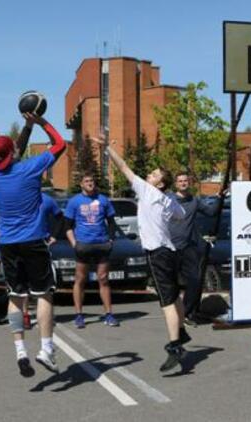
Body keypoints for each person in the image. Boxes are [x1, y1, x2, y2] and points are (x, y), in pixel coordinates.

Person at [89, 135, 189, 373]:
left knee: (165, 302)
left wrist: (107, 149)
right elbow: (181, 214)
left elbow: (124, 167)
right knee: (174, 297)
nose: (149, 176)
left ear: (160, 183)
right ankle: (182, 331)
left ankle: (175, 346)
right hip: (170, 251)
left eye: (154, 175)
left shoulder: (147, 191)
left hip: (158, 253)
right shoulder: (168, 200)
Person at [0, 112, 66, 377]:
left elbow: (14, 150)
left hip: (8, 244)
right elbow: (59, 144)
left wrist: (27, 126)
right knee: (44, 294)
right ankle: (46, 349)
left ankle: (20, 351)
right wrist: (41, 122)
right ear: (14, 154)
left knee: (16, 298)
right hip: (33, 240)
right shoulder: (29, 168)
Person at [65, 174, 118, 329]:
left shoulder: (103, 200)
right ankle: (79, 315)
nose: (90, 183)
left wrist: (111, 240)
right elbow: (67, 225)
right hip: (83, 245)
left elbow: (112, 222)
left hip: (102, 244)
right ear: (81, 184)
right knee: (80, 279)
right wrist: (74, 243)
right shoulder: (74, 201)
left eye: (92, 181)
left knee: (103, 278)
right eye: (87, 181)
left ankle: (109, 314)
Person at [167, 171, 218, 326]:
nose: (183, 183)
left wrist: (219, 197)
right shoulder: (169, 200)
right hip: (171, 247)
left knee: (195, 280)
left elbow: (211, 212)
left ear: (189, 183)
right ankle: (173, 314)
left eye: (185, 181)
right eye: (180, 181)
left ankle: (188, 313)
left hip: (189, 247)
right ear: (176, 184)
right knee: (171, 284)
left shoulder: (194, 201)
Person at [21, 192, 63, 330]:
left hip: (41, 243)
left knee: (44, 284)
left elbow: (60, 218)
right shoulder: (20, 195)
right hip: (21, 243)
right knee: (23, 284)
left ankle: (46, 316)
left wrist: (55, 236)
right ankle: (25, 316)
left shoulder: (47, 199)